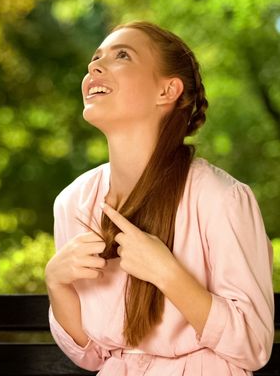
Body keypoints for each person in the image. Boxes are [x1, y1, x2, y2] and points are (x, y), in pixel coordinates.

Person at [45, 21, 273, 375]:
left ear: (167, 91)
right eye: (95, 57)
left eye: (122, 55)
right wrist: (56, 283)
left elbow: (254, 346)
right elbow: (92, 357)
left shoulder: (221, 198)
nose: (94, 66)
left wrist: (168, 273)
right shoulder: (73, 203)